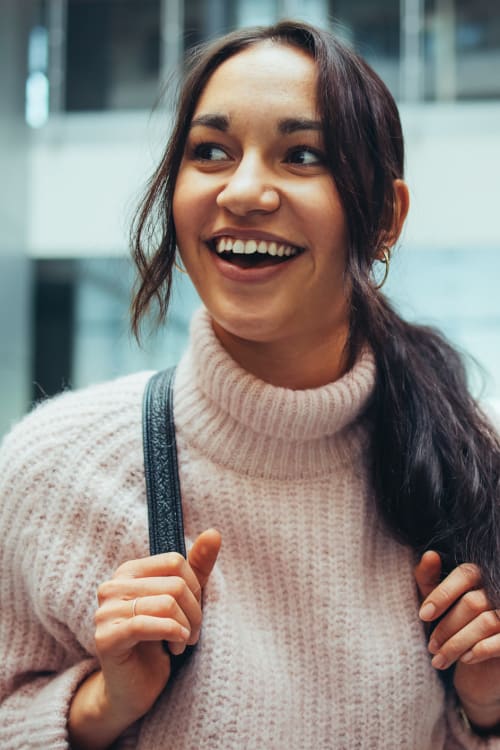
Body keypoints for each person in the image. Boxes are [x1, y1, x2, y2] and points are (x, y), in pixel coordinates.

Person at [1, 19, 500, 750]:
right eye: (211, 152)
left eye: (302, 156)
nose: (244, 191)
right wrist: (98, 706)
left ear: (385, 217)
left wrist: (487, 712)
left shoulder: (472, 465)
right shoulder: (55, 467)